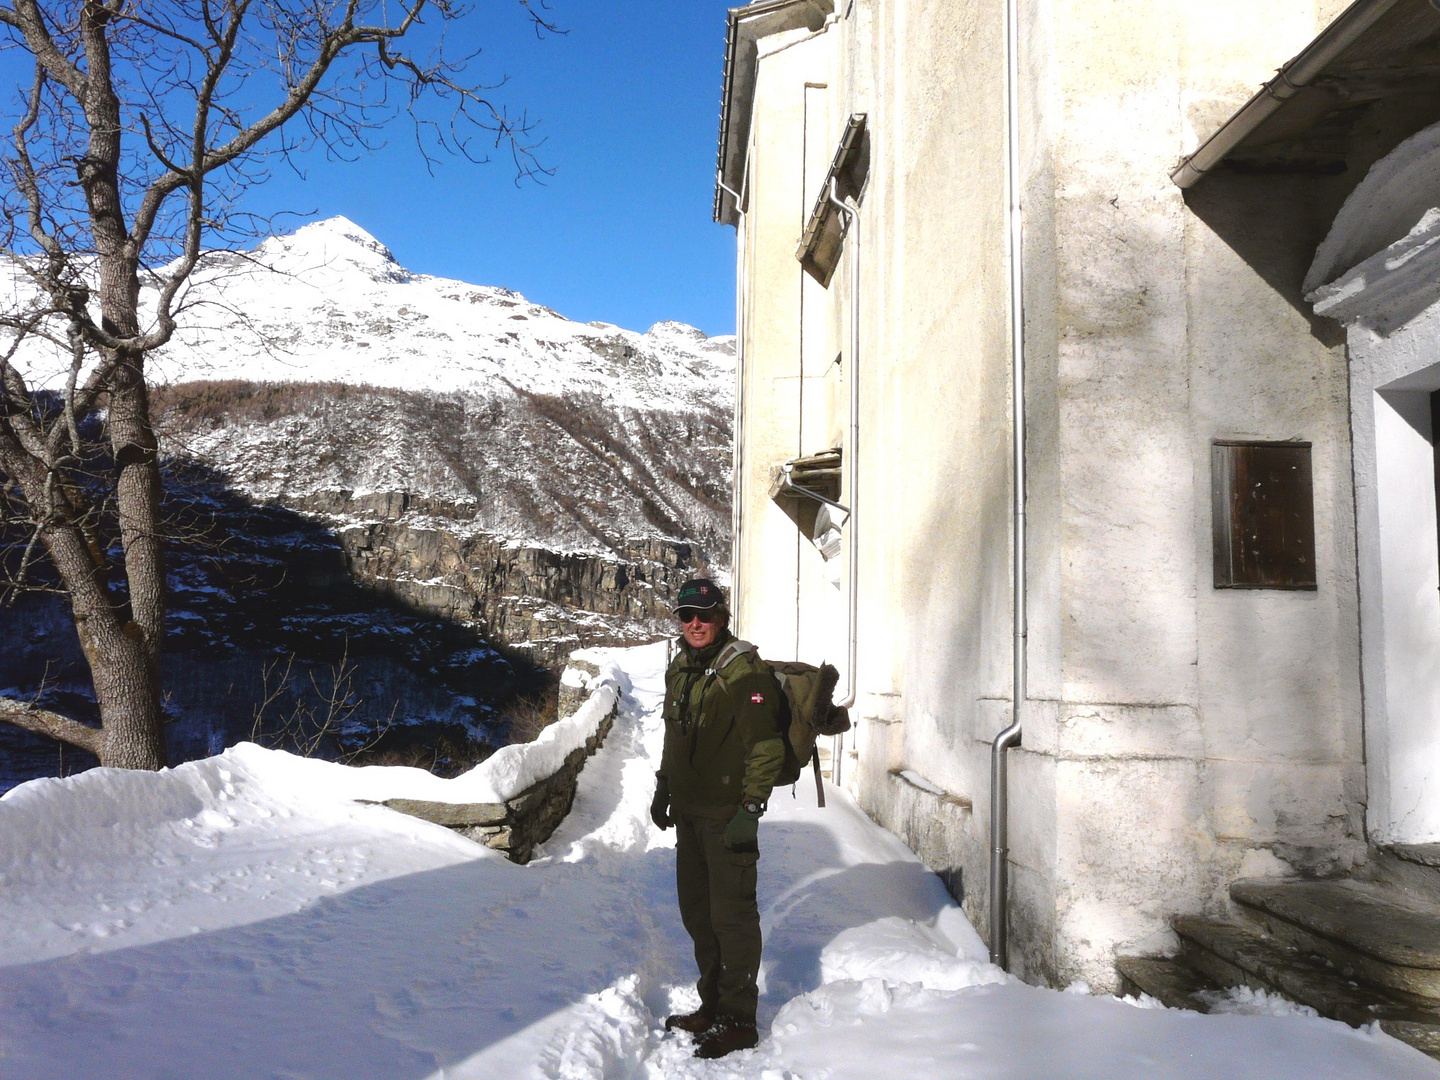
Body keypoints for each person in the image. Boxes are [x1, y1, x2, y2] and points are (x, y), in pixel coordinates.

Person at [650, 577, 786, 1059]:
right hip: (689, 813)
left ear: (722, 617)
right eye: (686, 616)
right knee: (698, 915)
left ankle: (738, 1020)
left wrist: (750, 810)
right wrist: (664, 788)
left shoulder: (742, 670)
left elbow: (766, 746)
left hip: (728, 817)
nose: (694, 624)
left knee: (732, 919)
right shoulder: (682, 666)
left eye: (704, 615)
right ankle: (711, 1004)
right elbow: (675, 736)